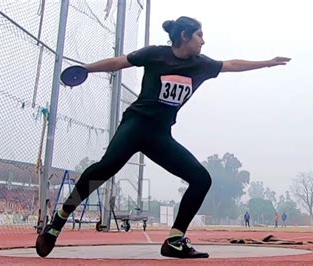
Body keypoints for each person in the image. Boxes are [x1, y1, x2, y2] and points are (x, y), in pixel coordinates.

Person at [35, 16, 290, 259]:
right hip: (135, 125)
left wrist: (266, 62)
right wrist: (86, 69)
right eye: (200, 35)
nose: (204, 41)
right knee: (105, 168)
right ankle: (58, 220)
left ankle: (175, 241)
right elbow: (120, 62)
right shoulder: (155, 54)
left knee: (201, 179)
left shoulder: (200, 64)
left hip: (159, 135)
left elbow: (232, 64)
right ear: (184, 36)